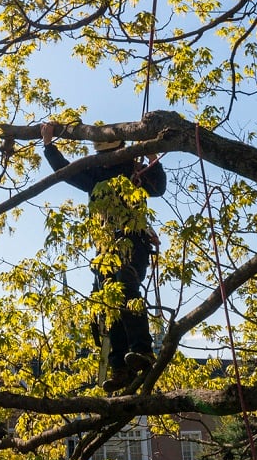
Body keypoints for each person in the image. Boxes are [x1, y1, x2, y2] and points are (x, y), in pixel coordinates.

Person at [41, 122, 167, 391]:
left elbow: (157, 189)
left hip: (133, 241)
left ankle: (142, 350)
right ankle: (120, 365)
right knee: (106, 303)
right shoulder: (96, 173)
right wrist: (49, 146)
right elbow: (66, 172)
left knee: (125, 287)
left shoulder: (133, 170)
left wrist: (153, 159)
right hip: (104, 248)